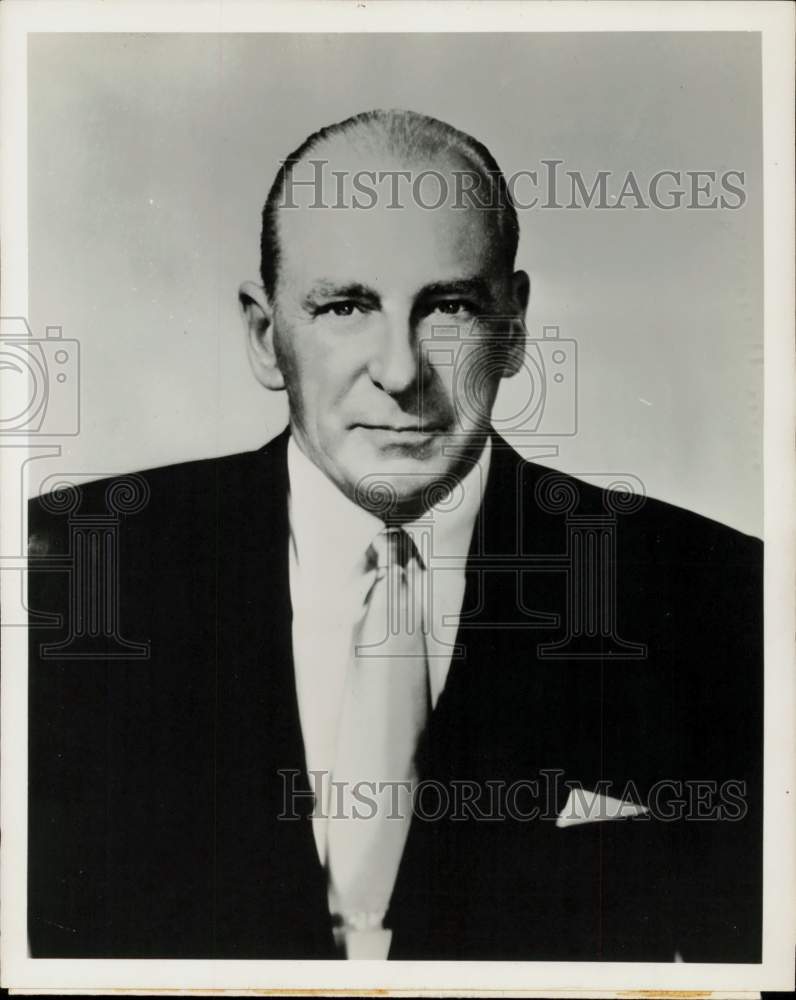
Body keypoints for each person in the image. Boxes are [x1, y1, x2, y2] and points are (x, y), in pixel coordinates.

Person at [27, 109, 762, 962]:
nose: (402, 371)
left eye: (447, 307)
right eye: (346, 306)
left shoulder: (723, 595)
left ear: (514, 327)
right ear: (267, 337)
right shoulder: (68, 574)